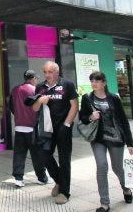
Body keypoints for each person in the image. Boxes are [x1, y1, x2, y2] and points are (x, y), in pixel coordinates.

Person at [79, 71, 133, 212]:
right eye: (92, 81)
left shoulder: (114, 99)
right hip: (98, 139)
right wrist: (91, 117)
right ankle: (105, 203)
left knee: (117, 168)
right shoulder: (87, 98)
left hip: (116, 138)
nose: (94, 84)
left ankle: (126, 189)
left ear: (104, 83)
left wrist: (130, 143)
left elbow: (123, 120)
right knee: (102, 166)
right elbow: (83, 117)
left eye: (97, 81)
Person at [32, 61, 78, 204]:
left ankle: (64, 192)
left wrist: (67, 124)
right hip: (46, 130)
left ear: (57, 72)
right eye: (45, 72)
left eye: (50, 72)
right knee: (43, 155)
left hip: (63, 128)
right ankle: (59, 180)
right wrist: (40, 101)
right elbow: (34, 108)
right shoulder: (40, 87)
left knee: (64, 160)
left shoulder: (67, 84)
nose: (47, 75)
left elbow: (75, 106)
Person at [9, 70, 49, 187]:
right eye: (36, 79)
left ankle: (18, 178)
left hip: (19, 126)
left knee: (19, 153)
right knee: (36, 155)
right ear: (33, 79)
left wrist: (18, 115)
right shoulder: (34, 90)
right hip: (32, 127)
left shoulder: (15, 90)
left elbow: (11, 106)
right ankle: (42, 178)